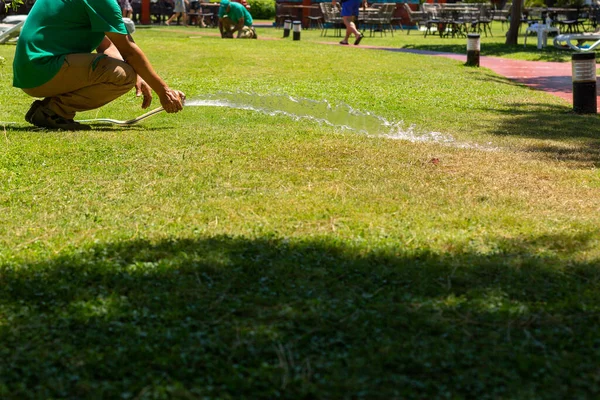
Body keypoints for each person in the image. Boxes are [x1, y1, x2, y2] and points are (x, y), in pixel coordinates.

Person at [12, 0, 185, 131]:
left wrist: (138, 74)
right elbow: (129, 51)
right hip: (42, 68)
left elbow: (107, 45)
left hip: (32, 69)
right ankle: (53, 112)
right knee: (124, 77)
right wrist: (164, 91)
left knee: (126, 74)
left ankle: (51, 111)